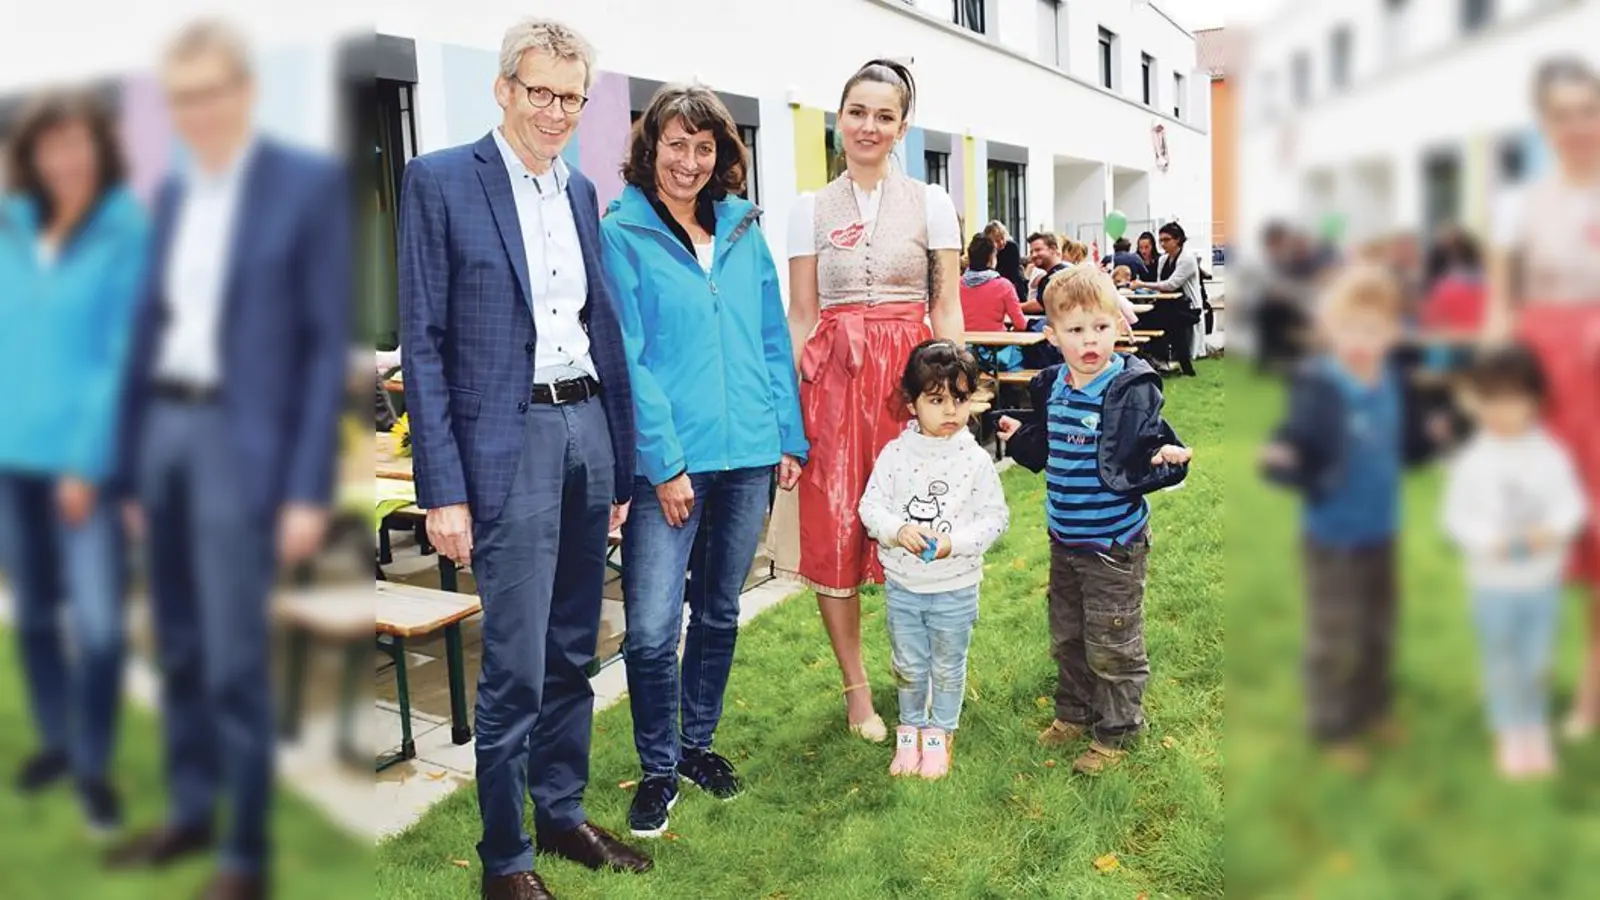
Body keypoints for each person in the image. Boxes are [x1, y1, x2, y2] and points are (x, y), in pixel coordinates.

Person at [397, 18, 650, 898]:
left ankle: (561, 810)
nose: (554, 111)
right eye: (538, 91)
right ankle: (505, 861)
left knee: (574, 647)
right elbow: (422, 344)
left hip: (585, 429)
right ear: (503, 88)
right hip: (507, 447)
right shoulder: (438, 182)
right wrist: (445, 491)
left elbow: (600, 332)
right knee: (512, 663)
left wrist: (619, 466)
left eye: (570, 98)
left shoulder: (580, 191)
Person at [105, 21, 350, 899]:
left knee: (236, 653)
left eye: (210, 94)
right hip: (165, 436)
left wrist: (303, 487)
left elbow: (326, 348)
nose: (196, 114)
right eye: (181, 100)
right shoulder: (170, 199)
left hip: (242, 452)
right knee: (174, 642)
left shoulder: (304, 189)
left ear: (243, 93)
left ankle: (244, 853)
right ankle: (190, 812)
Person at [597, 83, 807, 838]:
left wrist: (788, 436)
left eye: (704, 146)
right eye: (675, 144)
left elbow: (770, 338)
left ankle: (696, 745)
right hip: (672, 466)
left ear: (723, 154)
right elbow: (627, 357)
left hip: (749, 452)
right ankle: (657, 766)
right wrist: (664, 462)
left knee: (718, 611)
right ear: (649, 146)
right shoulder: (620, 233)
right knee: (653, 628)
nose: (689, 161)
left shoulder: (744, 229)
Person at [776, 58, 963, 744]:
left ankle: (922, 668)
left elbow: (945, 306)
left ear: (902, 127)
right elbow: (800, 315)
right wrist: (792, 413)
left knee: (922, 520)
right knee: (838, 531)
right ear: (840, 117)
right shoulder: (808, 209)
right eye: (858, 111)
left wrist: (953, 400)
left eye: (885, 115)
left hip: (905, 384)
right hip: (833, 385)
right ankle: (857, 689)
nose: (868, 126)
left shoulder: (932, 203)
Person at [0, 89, 148, 836]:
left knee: (96, 625)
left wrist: (86, 465)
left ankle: (93, 768)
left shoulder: (125, 230)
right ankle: (57, 743)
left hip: (87, 466)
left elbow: (119, 358)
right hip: (11, 465)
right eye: (50, 144)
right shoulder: (12, 224)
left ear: (99, 147)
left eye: (78, 142)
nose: (65, 158)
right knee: (34, 616)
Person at [995, 266, 1191, 774]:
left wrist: (1164, 456)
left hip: (1113, 543)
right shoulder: (1052, 387)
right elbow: (1048, 446)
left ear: (1117, 327)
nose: (1089, 341)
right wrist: (1020, 434)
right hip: (1065, 540)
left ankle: (1118, 731)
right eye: (1076, 330)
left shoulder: (1126, 390)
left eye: (1100, 328)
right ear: (1052, 334)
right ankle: (1074, 714)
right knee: (1068, 636)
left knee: (1113, 640)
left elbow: (1146, 442)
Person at [1258, 266, 1449, 773]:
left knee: (1378, 628)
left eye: (1374, 330)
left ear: (1392, 332)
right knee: (1333, 634)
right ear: (1330, 328)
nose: (1362, 341)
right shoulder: (1319, 385)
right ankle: (1331, 724)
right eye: (1350, 328)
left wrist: (1435, 437)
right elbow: (1295, 443)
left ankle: (1373, 707)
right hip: (1331, 535)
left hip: (1381, 530)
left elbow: (1408, 445)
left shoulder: (1395, 382)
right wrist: (1284, 461)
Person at [1484, 56, 1600, 740]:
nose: (1577, 125)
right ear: (1545, 123)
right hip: (1537, 393)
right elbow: (1499, 309)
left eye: (1587, 110)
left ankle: (1590, 699)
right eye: (1561, 114)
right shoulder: (1517, 207)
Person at [858, 341, 1009, 779]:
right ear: (912, 402)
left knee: (946, 663)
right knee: (908, 662)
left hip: (955, 588)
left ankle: (940, 733)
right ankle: (910, 731)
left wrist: (953, 543)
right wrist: (896, 530)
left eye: (959, 400)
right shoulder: (895, 455)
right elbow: (871, 508)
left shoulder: (975, 461)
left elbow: (995, 519)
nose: (950, 412)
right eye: (937, 400)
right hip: (904, 588)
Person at [1441, 346, 1586, 780]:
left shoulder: (1550, 455)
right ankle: (1509, 730)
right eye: (1491, 399)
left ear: (1535, 401)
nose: (1502, 411)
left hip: (1540, 584)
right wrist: (1492, 542)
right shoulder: (1472, 461)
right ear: (1477, 402)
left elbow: (1572, 507)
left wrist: (1552, 531)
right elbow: (1456, 520)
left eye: (1514, 399)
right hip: (1492, 584)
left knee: (1537, 658)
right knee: (1501, 657)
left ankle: (1534, 726)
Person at [1134, 222, 1203, 377]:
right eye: (1161, 240)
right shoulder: (1163, 260)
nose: (1163, 244)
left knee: (1166, 321)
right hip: (1169, 306)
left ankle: (1162, 360)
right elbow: (1161, 285)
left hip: (1188, 307)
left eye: (1166, 240)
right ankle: (1173, 363)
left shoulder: (1187, 259)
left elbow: (1170, 285)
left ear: (1178, 239)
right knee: (1157, 320)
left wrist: (1142, 284)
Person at [960, 234, 1026, 332]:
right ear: (991, 257)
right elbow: (1021, 324)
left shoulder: (955, 285)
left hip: (963, 343)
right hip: (997, 344)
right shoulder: (1004, 285)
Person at [1022, 231, 1067, 316]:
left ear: (1053, 249)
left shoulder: (1058, 276)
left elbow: (1041, 305)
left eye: (1038, 250)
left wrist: (1013, 307)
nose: (1034, 255)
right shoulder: (1062, 272)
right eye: (1031, 252)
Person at [986, 219, 1029, 304]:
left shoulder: (1011, 247)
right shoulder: (987, 251)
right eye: (997, 241)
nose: (1001, 242)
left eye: (1002, 238)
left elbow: (1012, 271)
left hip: (1013, 285)